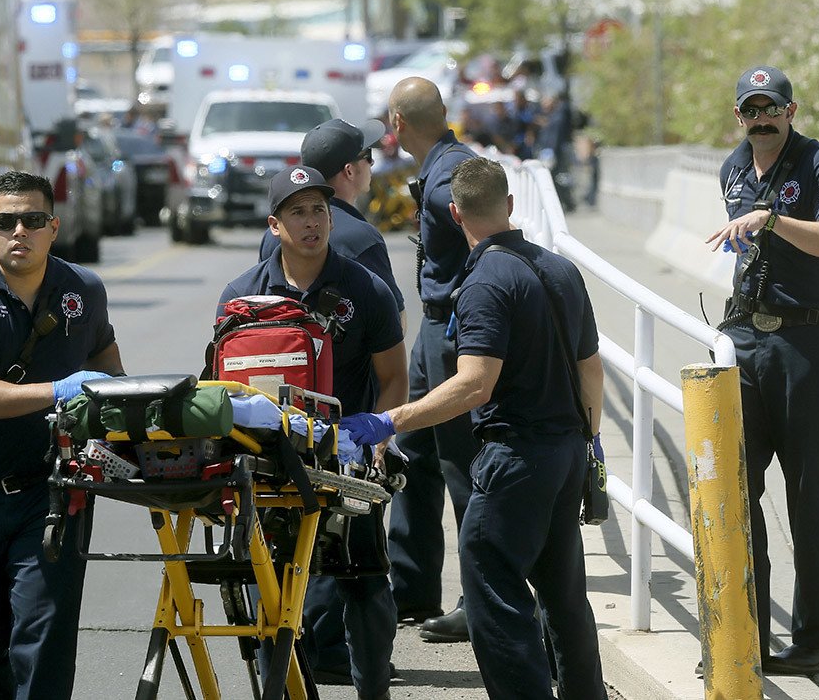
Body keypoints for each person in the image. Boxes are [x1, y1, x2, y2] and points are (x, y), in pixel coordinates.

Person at [340, 157, 607, 700]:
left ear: (455, 213)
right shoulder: (560, 270)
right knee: (564, 596)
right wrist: (589, 441)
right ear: (510, 206)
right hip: (566, 452)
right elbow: (591, 369)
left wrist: (388, 419)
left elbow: (474, 385)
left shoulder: (484, 280)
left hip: (515, 459)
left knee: (493, 589)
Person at [0, 171, 125, 699]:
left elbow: (106, 358)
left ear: (53, 227)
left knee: (44, 636)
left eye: (33, 220)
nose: (21, 231)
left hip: (53, 490)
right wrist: (59, 389)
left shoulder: (83, 289)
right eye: (8, 221)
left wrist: (114, 410)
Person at [220, 164, 407, 700]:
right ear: (274, 225)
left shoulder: (365, 289)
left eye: (319, 210)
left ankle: (375, 690)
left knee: (365, 586)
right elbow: (221, 387)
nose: (311, 222)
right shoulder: (241, 296)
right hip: (268, 468)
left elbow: (394, 377)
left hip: (346, 461)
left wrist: (377, 441)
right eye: (297, 212)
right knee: (272, 593)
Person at [705, 66, 819, 675]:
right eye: (752, 110)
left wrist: (771, 218)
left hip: (807, 344)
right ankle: (749, 634)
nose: (762, 119)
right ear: (738, 115)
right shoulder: (733, 167)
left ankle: (816, 639)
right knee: (737, 490)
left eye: (773, 108)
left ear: (791, 111)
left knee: (808, 492)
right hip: (746, 339)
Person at [385, 76, 479, 643]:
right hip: (434, 329)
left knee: (463, 466)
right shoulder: (444, 162)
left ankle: (478, 598)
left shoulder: (450, 173)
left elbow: (481, 233)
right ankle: (415, 588)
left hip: (455, 330)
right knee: (413, 455)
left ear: (396, 125)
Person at [260, 118, 405, 324]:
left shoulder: (274, 233)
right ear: (349, 170)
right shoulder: (363, 236)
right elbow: (393, 322)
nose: (372, 163)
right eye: (367, 156)